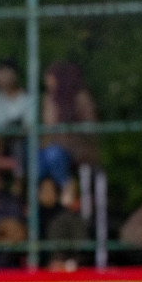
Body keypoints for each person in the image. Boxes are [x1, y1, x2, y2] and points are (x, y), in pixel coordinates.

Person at [39, 60, 98, 189]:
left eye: (50, 79)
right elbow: (48, 127)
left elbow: (90, 127)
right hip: (52, 145)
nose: (47, 83)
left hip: (76, 147)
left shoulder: (80, 97)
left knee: (53, 155)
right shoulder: (49, 98)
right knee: (36, 161)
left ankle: (68, 188)